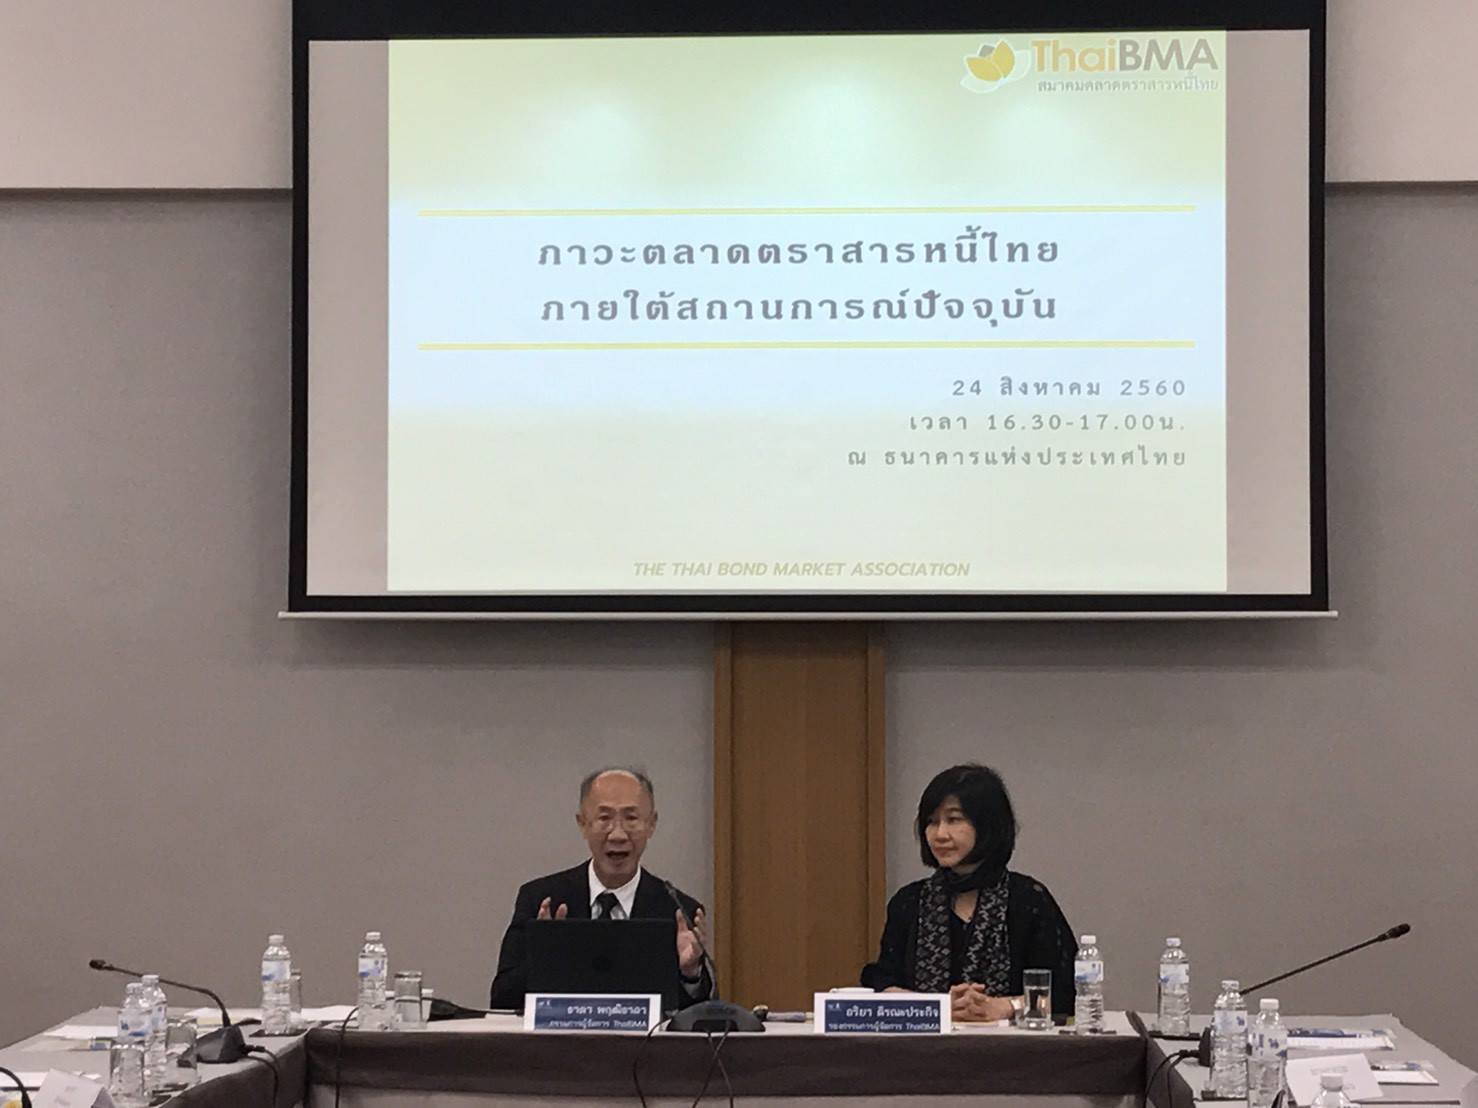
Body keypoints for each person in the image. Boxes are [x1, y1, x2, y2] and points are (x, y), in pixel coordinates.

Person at [861, 763, 1077, 1021]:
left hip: (1009, 1042)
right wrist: (936, 1006)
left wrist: (1004, 1007)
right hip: (927, 1042)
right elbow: (882, 983)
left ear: (987, 825)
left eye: (954, 820)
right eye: (932, 822)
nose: (940, 834)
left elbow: (1064, 992)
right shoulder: (909, 901)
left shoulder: (1028, 899)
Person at [490, 767, 713, 1010]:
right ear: (583, 824)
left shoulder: (678, 910)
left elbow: (696, 1016)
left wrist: (690, 972)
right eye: (604, 818)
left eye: (631, 818)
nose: (617, 834)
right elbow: (502, 998)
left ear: (651, 824)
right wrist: (544, 958)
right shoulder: (541, 900)